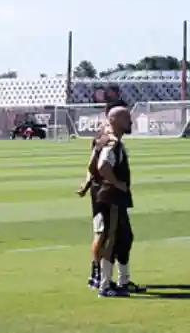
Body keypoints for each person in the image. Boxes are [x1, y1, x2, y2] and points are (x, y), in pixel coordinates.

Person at [92, 107, 144, 297]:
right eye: (126, 118)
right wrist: (116, 183)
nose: (130, 122)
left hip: (114, 196)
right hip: (112, 197)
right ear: (114, 120)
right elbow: (102, 166)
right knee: (111, 239)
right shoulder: (112, 143)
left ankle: (123, 281)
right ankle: (105, 285)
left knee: (125, 237)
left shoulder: (108, 140)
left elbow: (92, 165)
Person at [77, 120, 112, 290]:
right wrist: (86, 185)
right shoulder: (102, 141)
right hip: (101, 191)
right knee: (101, 232)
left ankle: (100, 273)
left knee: (107, 233)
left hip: (106, 191)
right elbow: (92, 167)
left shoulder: (109, 141)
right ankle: (96, 273)